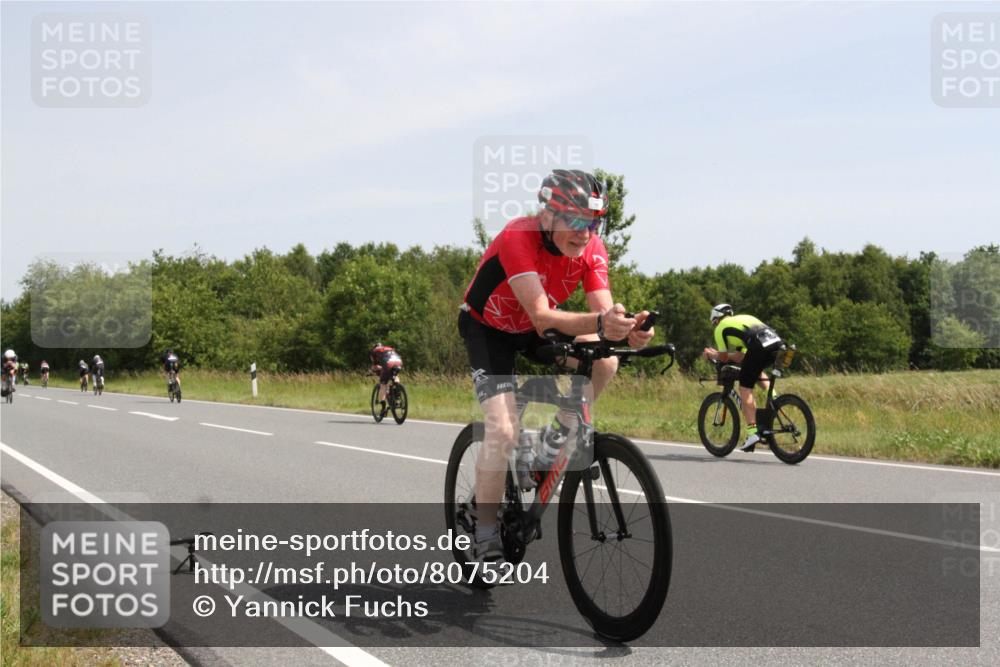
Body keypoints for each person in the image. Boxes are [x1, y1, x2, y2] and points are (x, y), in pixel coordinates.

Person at [458, 169, 654, 566]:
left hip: (532, 330)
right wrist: (601, 325)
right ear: (547, 216)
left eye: (593, 222)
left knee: (606, 361)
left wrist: (625, 329)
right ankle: (483, 531)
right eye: (576, 220)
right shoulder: (519, 238)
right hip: (489, 329)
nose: (585, 233)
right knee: (503, 429)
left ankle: (554, 438)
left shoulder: (593, 249)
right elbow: (543, 315)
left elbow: (602, 315)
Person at [702, 304, 784, 452]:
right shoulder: (742, 320)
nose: (714, 325)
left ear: (716, 319)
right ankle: (775, 400)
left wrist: (712, 354)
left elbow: (724, 357)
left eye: (713, 322)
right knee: (755, 369)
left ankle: (752, 433)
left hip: (759, 346)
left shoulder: (720, 328)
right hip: (778, 343)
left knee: (745, 387)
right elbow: (741, 357)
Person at [369, 343, 403, 412]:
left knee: (383, 385)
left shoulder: (374, 351)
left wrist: (371, 371)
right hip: (398, 361)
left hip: (388, 363)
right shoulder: (388, 348)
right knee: (395, 376)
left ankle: (383, 408)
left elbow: (375, 366)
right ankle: (398, 391)